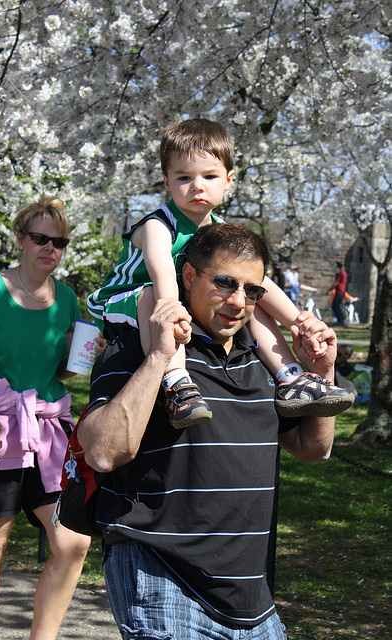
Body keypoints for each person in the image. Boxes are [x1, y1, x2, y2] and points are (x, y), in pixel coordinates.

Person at [78, 223, 349, 640]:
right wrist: (159, 358)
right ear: (188, 277)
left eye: (253, 290)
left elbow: (312, 449)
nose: (239, 301)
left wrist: (321, 372)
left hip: (251, 597)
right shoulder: (138, 345)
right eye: (225, 283)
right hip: (164, 579)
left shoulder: (265, 358)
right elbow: (102, 452)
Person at [88, 118, 352, 428]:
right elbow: (160, 274)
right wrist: (173, 311)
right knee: (152, 296)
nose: (197, 186)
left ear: (228, 180)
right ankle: (176, 384)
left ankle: (290, 376)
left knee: (247, 295)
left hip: (174, 298)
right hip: (125, 301)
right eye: (184, 177)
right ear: (167, 181)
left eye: (209, 176)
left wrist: (299, 322)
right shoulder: (158, 225)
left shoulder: (218, 230)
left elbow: (260, 281)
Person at [0, 198, 93, 640]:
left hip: (46, 433)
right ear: (20, 238)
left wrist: (76, 363)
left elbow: (57, 371)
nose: (49, 249)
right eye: (40, 238)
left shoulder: (68, 298)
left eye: (59, 242)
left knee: (71, 542)